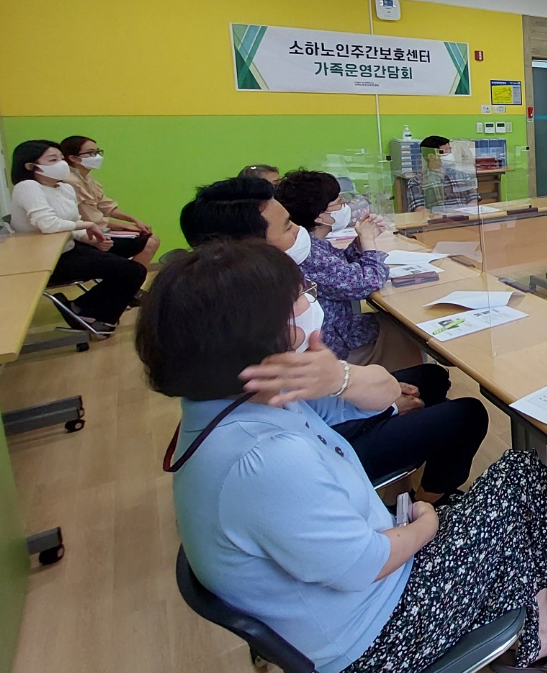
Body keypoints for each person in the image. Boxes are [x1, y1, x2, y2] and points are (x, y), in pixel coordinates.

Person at [145, 240, 547, 673]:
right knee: (520, 479)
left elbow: (382, 396)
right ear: (263, 336)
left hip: (359, 591)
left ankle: (533, 587)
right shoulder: (266, 461)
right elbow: (365, 565)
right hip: (377, 639)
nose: (311, 304)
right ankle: (541, 637)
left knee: (517, 490)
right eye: (299, 299)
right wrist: (427, 525)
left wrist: (338, 376)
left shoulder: (238, 399)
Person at [181, 177, 490, 504]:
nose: (298, 231)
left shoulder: (233, 306)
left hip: (319, 411)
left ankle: (417, 465)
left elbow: (312, 402)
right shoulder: (251, 333)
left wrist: (373, 398)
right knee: (468, 414)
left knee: (431, 377)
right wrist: (383, 408)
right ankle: (427, 503)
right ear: (251, 248)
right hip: (325, 445)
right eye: (287, 227)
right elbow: (309, 424)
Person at [273, 169, 421, 371]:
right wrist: (368, 241)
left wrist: (360, 242)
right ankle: (408, 381)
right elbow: (367, 283)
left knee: (396, 323)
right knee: (405, 329)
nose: (346, 206)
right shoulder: (307, 254)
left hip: (337, 330)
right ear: (320, 217)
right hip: (335, 344)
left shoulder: (311, 243)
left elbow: (338, 266)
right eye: (339, 201)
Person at [9, 140, 146, 333]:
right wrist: (88, 226)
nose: (61, 163)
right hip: (44, 260)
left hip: (69, 248)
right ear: (31, 166)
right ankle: (88, 312)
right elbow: (49, 224)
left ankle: (82, 308)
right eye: (53, 159)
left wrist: (92, 239)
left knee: (136, 262)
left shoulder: (64, 188)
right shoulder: (28, 187)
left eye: (61, 158)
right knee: (130, 271)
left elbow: (74, 223)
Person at [59, 135, 160, 268]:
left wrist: (134, 220)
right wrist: (125, 226)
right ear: (73, 158)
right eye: (91, 153)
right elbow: (92, 219)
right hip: (85, 235)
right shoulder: (70, 181)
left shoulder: (87, 177)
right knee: (150, 242)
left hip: (98, 228)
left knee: (151, 238)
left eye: (98, 152)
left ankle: (132, 277)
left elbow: (107, 206)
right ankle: (131, 278)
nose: (97, 156)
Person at [404, 136, 478, 212]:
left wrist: (463, 212)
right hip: (436, 218)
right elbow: (419, 209)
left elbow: (474, 199)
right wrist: (444, 215)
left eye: (449, 150)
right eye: (443, 152)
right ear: (431, 156)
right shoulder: (417, 182)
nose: (449, 155)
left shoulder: (462, 175)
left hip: (463, 216)